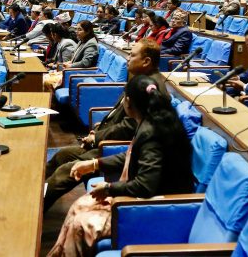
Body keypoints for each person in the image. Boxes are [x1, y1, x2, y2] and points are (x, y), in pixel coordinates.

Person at [47, 75, 193, 257]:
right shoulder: (152, 121)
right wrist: (94, 164)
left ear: (128, 102)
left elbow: (145, 186)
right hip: (144, 200)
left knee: (80, 223)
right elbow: (131, 156)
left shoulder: (151, 133)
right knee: (80, 205)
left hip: (153, 210)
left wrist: (109, 188)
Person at [44, 40, 168, 210]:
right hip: (105, 139)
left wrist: (97, 137)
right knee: (62, 155)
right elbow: (117, 116)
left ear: (146, 61)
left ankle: (36, 207)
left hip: (115, 146)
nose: (128, 59)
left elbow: (129, 127)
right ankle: (37, 186)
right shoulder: (141, 80)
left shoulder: (150, 89)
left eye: (132, 55)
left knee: (66, 170)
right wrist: (96, 132)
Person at [43, 20, 99, 91]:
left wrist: (71, 65)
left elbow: (85, 63)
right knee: (44, 77)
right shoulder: (82, 41)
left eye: (79, 30)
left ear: (88, 31)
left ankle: (50, 98)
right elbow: (74, 58)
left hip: (77, 73)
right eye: (76, 29)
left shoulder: (91, 44)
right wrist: (69, 62)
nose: (76, 32)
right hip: (71, 71)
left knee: (46, 80)